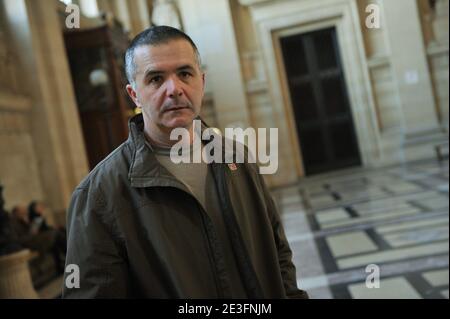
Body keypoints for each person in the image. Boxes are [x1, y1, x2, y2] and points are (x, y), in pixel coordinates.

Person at [63, 26, 308, 299]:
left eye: (184, 74)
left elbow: (278, 254)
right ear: (134, 95)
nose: (174, 89)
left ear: (201, 82)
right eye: (156, 79)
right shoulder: (99, 194)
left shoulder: (237, 158)